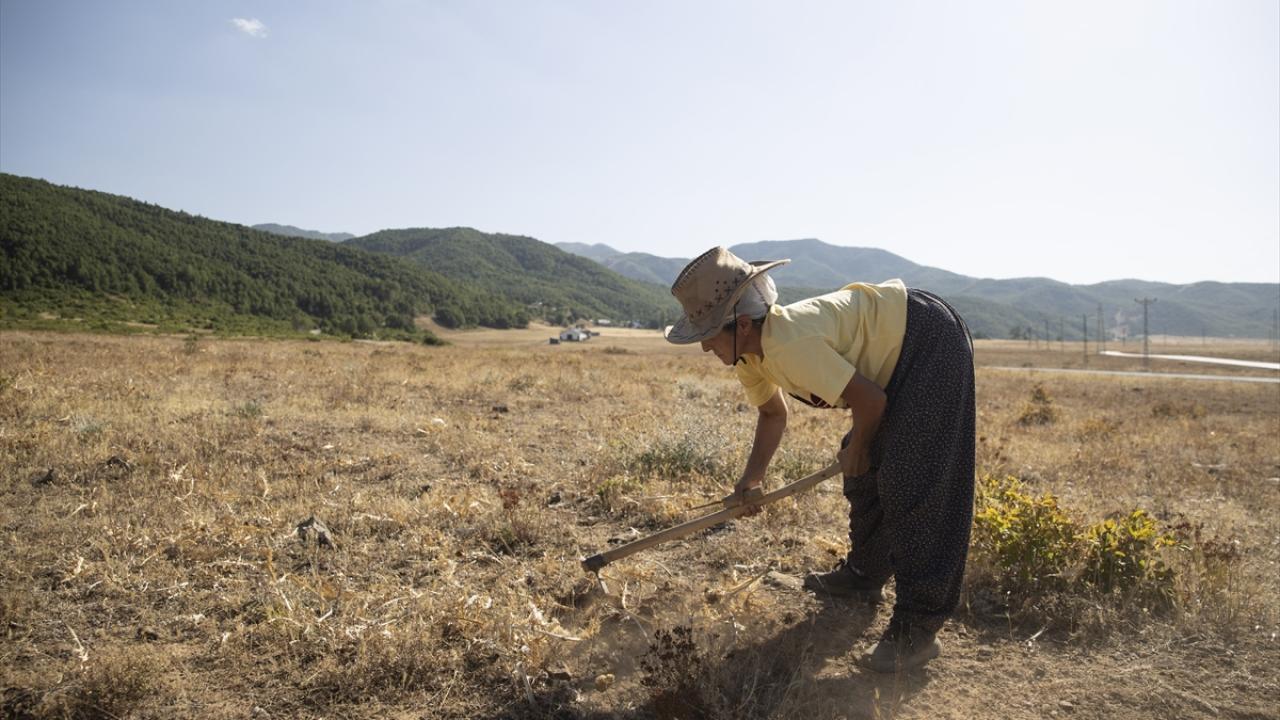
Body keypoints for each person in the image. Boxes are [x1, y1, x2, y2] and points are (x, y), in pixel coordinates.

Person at [663, 246, 975, 673]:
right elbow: (773, 414)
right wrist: (751, 481)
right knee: (864, 472)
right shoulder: (748, 354)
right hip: (892, 363)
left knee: (910, 479)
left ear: (742, 324)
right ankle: (865, 575)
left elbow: (870, 400)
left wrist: (859, 448)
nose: (704, 347)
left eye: (709, 334)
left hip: (927, 340)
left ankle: (918, 627)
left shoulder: (789, 343)